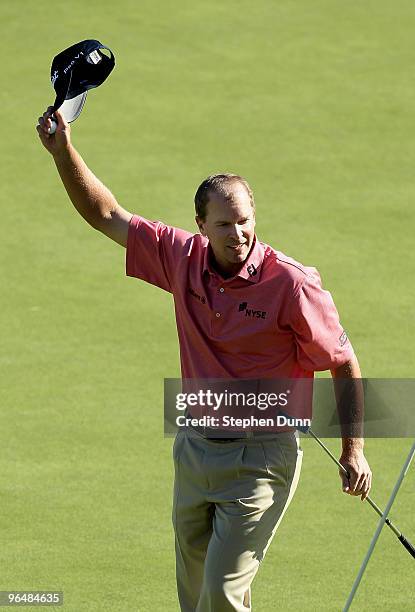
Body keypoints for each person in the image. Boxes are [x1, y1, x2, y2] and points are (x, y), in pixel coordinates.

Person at [37, 108, 372, 612]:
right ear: (201, 225)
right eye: (224, 224)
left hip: (261, 458)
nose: (238, 234)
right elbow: (106, 215)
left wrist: (354, 450)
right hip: (195, 449)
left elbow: (343, 363)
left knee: (222, 594)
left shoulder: (292, 284)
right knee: (193, 597)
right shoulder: (181, 257)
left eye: (245, 221)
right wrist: (62, 151)